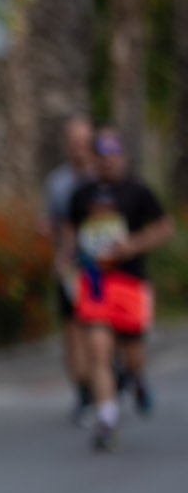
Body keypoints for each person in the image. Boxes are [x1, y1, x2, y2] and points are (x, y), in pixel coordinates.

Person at [64, 127, 173, 452]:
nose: (109, 163)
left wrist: (134, 245)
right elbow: (71, 234)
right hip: (95, 281)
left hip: (130, 283)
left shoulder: (138, 192)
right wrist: (67, 263)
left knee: (133, 355)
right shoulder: (81, 195)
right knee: (98, 349)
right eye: (103, 157)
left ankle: (137, 379)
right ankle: (107, 420)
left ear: (123, 157)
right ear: (94, 159)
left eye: (114, 156)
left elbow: (165, 228)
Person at [43, 115, 96, 424]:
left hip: (104, 268)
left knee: (99, 331)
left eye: (84, 141)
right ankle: (84, 393)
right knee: (73, 331)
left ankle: (109, 376)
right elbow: (55, 223)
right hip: (71, 267)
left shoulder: (103, 178)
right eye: (73, 142)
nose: (78, 148)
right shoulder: (58, 183)